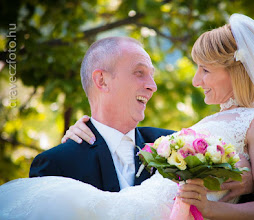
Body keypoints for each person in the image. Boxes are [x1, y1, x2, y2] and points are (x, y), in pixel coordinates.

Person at [0, 14, 254, 220]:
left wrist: (208, 204)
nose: (196, 80)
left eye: (204, 69)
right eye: (140, 73)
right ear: (102, 80)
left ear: (235, 71)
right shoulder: (65, 156)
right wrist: (81, 133)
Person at [29, 36, 175, 191]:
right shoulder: (56, 166)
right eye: (139, 72)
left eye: (152, 75)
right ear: (102, 80)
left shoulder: (177, 146)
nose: (152, 86)